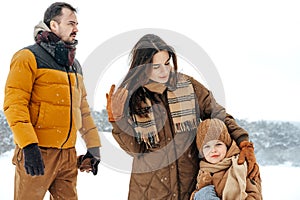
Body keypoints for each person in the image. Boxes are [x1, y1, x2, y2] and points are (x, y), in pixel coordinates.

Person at [106, 34, 259, 200]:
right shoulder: (132, 97)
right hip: (150, 190)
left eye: (166, 63)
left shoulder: (188, 86)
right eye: (156, 67)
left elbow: (219, 115)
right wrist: (118, 120)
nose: (164, 71)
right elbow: (136, 149)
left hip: (189, 184)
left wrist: (243, 142)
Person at [3, 2, 101, 199]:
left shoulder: (74, 66)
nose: (76, 29)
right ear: (53, 25)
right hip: (37, 153)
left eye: (77, 24)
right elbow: (15, 105)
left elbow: (82, 110)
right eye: (71, 23)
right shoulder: (27, 57)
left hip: (67, 155)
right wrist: (29, 146)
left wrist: (93, 147)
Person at [191, 118, 262, 200]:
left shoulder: (242, 165)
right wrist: (199, 196)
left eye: (218, 144)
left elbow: (255, 196)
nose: (213, 150)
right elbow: (196, 192)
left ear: (227, 145)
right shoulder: (203, 171)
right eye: (207, 146)